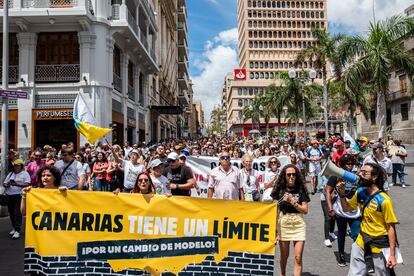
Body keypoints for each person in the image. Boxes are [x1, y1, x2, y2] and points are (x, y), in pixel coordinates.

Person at [338, 163, 399, 276]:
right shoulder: (360, 192)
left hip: (379, 247)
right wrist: (342, 194)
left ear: (374, 177)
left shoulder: (384, 200)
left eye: (364, 173)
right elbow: (346, 209)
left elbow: (391, 228)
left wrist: (392, 255)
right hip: (361, 242)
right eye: (360, 171)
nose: (360, 175)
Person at [271, 164, 310, 276]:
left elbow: (305, 210)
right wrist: (275, 231)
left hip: (298, 223)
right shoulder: (279, 190)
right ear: (284, 176)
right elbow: (275, 211)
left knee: (298, 257)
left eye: (294, 174)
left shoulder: (301, 190)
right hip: (283, 222)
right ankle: (282, 273)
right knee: (284, 256)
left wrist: (292, 201)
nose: (291, 177)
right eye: (289, 174)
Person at [325, 154, 361, 266]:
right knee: (341, 234)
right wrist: (330, 208)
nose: (349, 166)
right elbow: (327, 192)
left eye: (351, 164)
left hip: (354, 211)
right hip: (340, 210)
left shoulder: (355, 175)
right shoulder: (335, 176)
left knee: (356, 235)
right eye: (347, 164)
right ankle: (341, 255)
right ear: (343, 165)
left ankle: (358, 256)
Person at [3, 159, 30, 239]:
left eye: (18, 165)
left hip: (19, 195)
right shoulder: (11, 174)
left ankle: (17, 230)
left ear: (21, 166)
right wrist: (7, 184)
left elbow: (27, 184)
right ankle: (14, 228)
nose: (16, 167)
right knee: (11, 213)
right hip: (9, 195)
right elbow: (4, 183)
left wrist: (16, 184)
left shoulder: (25, 174)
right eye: (15, 165)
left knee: (17, 213)